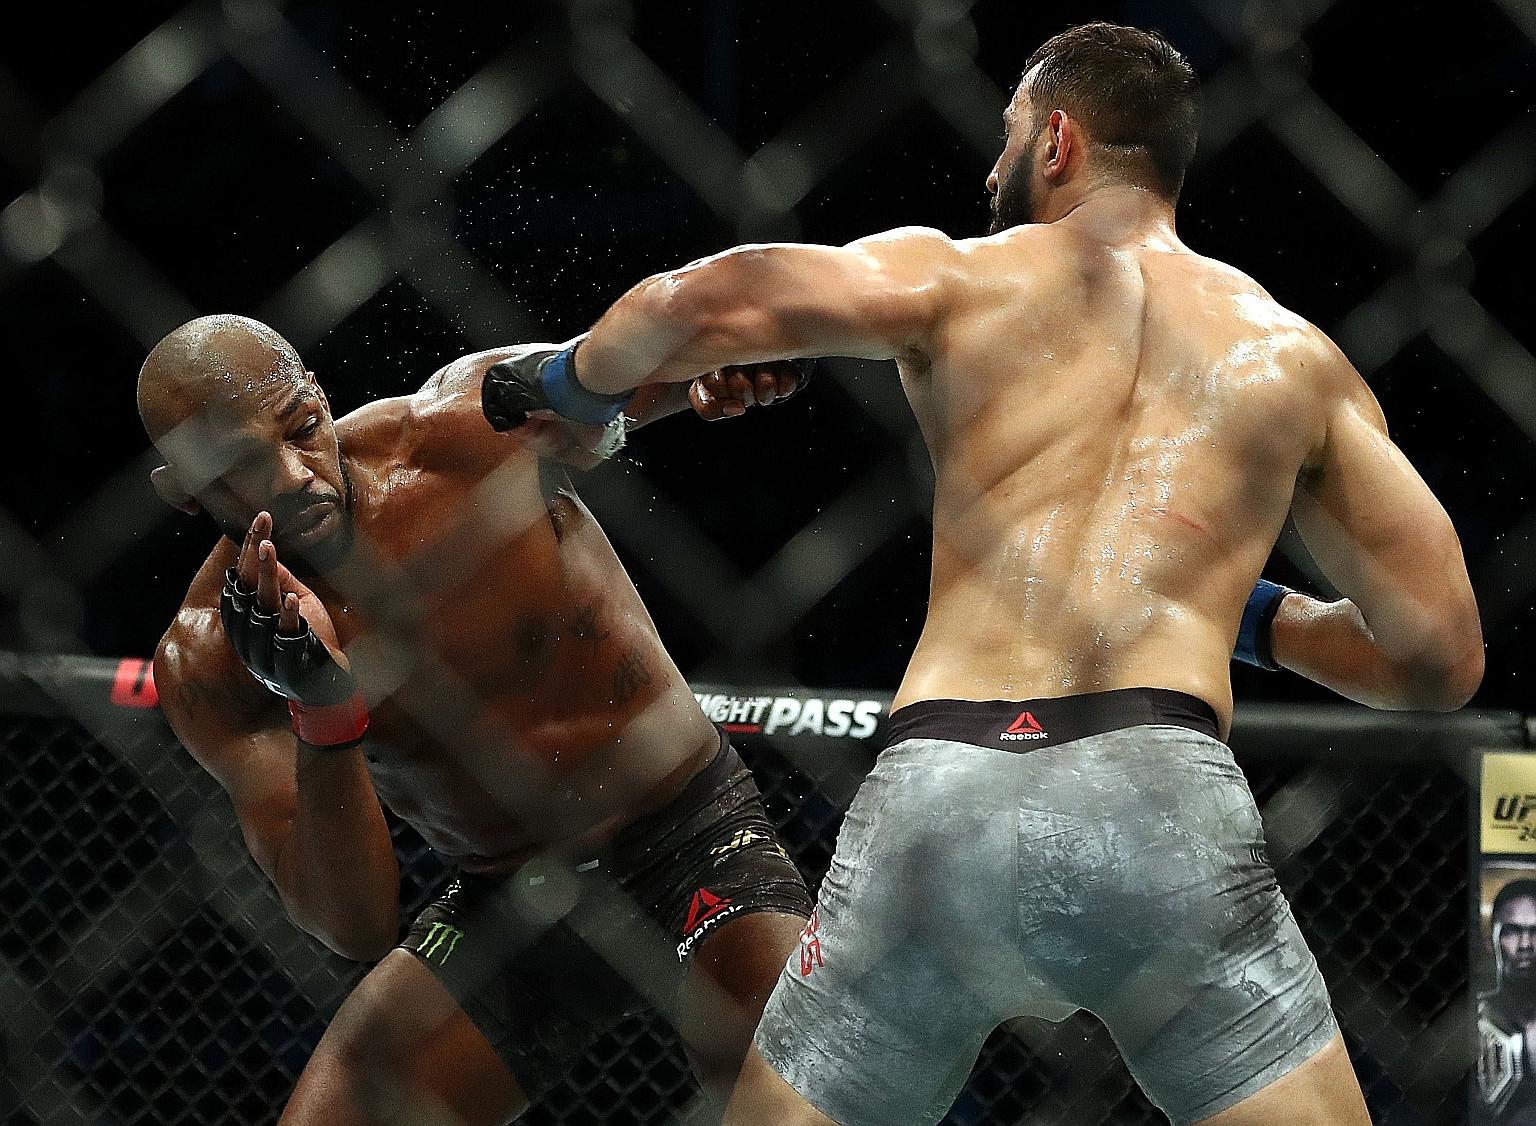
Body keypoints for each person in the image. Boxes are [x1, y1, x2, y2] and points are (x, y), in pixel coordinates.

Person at [494, 20, 1485, 1126]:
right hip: (1158, 802)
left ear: (1057, 139)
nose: (989, 167)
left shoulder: (960, 276)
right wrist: (1243, 620)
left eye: (1007, 135)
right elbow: (1439, 654)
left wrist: (573, 388)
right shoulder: (1293, 355)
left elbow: (687, 305)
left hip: (942, 800)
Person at [139, 315, 814, 1125]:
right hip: (503, 895)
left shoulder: (467, 427)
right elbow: (353, 925)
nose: (291, 477)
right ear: (182, 491)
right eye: (240, 466)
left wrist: (732, 361)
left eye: (302, 429)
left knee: (793, 1098)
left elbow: (646, 356)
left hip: (690, 834)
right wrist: (323, 709)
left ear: (319, 396)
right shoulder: (209, 658)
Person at [1477, 879, 1536, 1121]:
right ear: (1490, 941)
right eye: (1511, 931)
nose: (1525, 945)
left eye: (1535, 931)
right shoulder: (1474, 1019)